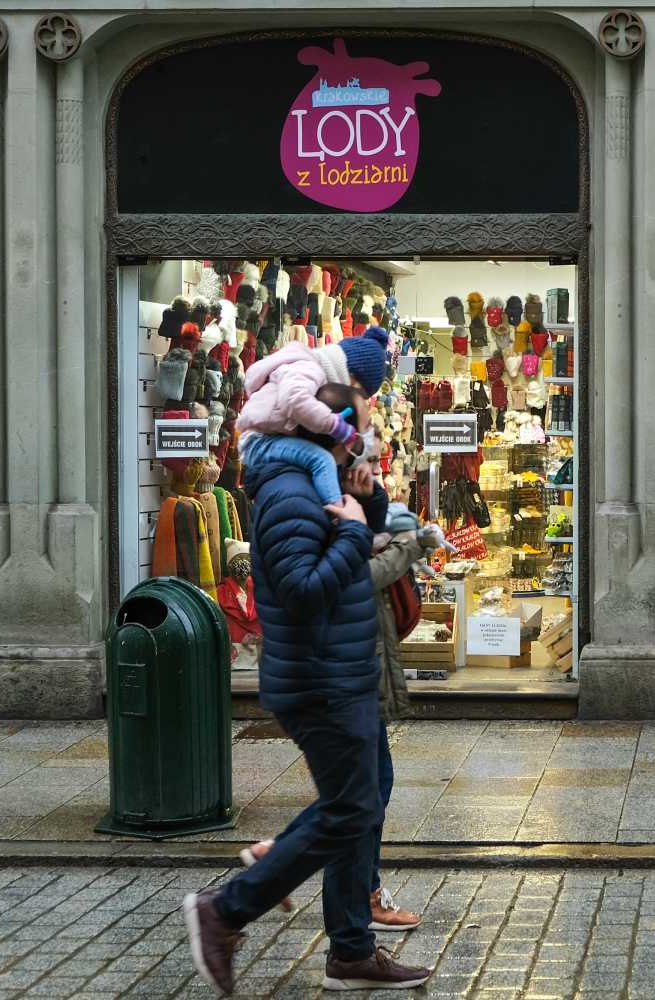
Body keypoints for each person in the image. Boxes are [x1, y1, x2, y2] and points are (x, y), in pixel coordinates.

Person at [183, 383, 431, 995]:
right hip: (320, 679)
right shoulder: (292, 492)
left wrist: (366, 509)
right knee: (351, 809)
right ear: (328, 430)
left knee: (359, 804)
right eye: (356, 433)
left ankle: (350, 951)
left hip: (342, 671)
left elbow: (342, 554)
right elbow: (301, 587)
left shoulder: (322, 483)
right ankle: (228, 909)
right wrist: (353, 533)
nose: (362, 444)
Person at [239, 504, 454, 933]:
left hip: (350, 662)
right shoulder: (305, 504)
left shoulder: (324, 495)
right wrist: (406, 546)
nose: (368, 466)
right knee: (361, 792)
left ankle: (348, 909)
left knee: (365, 789)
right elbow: (352, 580)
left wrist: (396, 534)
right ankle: (342, 895)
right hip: (338, 670)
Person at [236, 324, 390, 505]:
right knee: (321, 459)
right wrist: (335, 426)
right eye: (361, 394)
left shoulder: (312, 369)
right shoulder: (310, 368)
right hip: (260, 441)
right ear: (354, 380)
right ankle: (338, 511)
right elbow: (294, 400)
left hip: (266, 439)